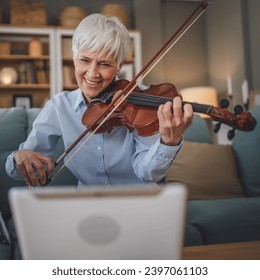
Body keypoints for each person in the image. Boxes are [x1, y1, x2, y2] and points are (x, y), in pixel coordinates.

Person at [5, 13, 193, 188]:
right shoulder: (59, 106)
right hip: (87, 206)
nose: (92, 73)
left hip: (139, 204)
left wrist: (169, 142)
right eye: (85, 60)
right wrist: (19, 156)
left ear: (119, 66)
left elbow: (147, 173)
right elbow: (15, 169)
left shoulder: (144, 102)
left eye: (104, 64)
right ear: (73, 57)